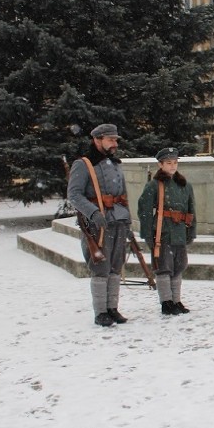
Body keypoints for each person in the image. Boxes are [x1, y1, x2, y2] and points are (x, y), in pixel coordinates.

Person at [67, 123, 132, 327]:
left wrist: (127, 219)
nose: (114, 143)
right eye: (110, 139)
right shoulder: (83, 164)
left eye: (115, 140)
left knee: (115, 267)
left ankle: (112, 308)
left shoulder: (115, 163)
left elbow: (123, 195)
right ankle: (101, 312)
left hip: (118, 220)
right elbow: (74, 194)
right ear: (97, 140)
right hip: (98, 224)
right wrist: (93, 213)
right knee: (100, 268)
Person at [137, 147, 196, 316]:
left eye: (175, 162)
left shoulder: (185, 185)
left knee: (178, 267)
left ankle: (176, 300)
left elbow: (192, 210)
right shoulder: (154, 185)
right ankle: (166, 302)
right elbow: (145, 211)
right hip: (162, 233)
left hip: (180, 231)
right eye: (169, 163)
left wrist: (191, 231)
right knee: (163, 267)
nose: (172, 166)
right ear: (160, 164)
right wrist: (148, 234)